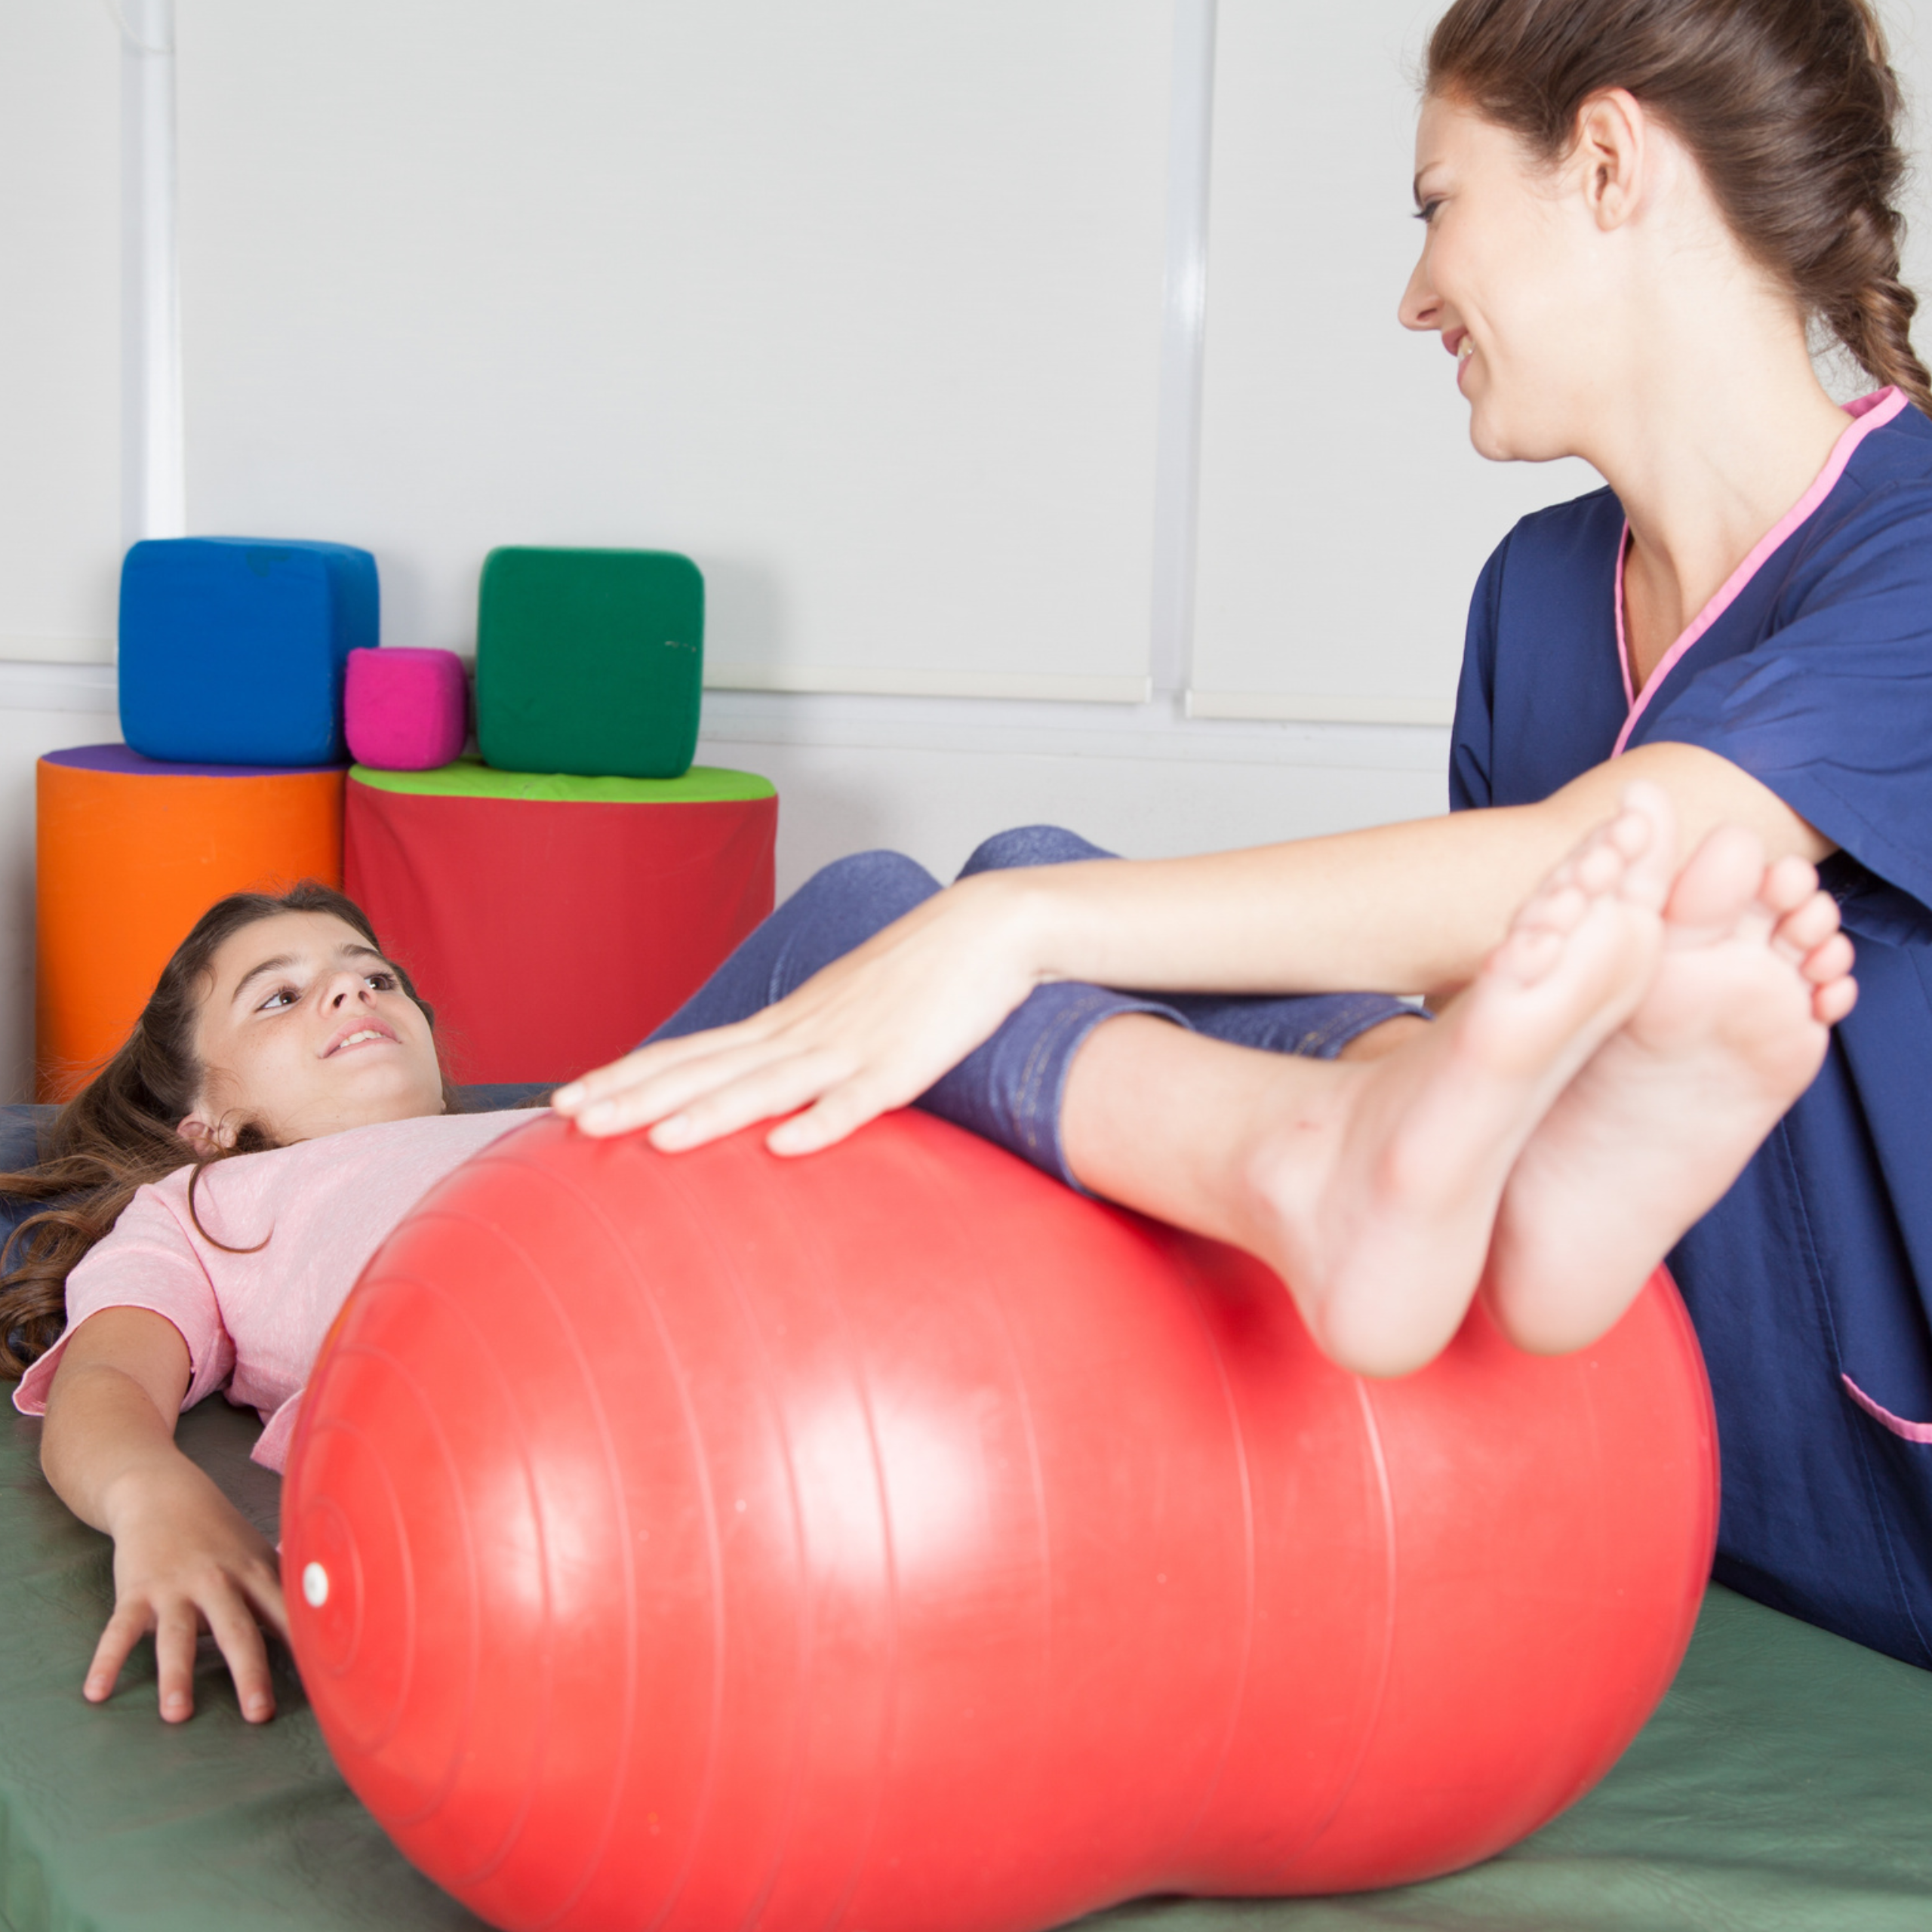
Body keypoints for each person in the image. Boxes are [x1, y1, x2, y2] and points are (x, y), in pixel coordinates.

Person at [549, 0, 1932, 1669]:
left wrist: (1017, 933)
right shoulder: (1536, 595)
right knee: (947, 882)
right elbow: (1467, 1052)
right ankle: (1337, 1164)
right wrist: (1014, 908)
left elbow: (1599, 866)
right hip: (1615, 1444)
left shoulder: (1912, 543)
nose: (1412, 291)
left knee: (971, 918)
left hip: (1876, 1535)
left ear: (1606, 161)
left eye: (1434, 204)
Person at [0, 791, 1850, 1724]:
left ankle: (1418, 1109)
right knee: (882, 913)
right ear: (199, 1111)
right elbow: (106, 1387)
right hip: (539, 1276)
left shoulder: (507, 1098)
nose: (350, 994)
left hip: (644, 1169)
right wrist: (156, 1504)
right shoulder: (203, 1218)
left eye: (371, 972)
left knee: (1026, 865)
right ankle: (1345, 1144)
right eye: (280, 992)